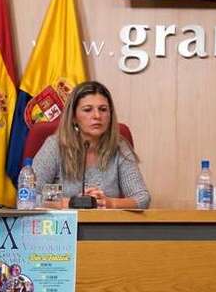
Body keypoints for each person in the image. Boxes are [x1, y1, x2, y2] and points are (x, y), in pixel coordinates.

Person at [32, 80, 150, 209]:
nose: (97, 116)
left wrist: (109, 203)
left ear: (110, 115)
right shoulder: (55, 146)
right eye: (87, 110)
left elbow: (142, 198)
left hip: (104, 221)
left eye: (103, 109)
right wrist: (72, 203)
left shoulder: (118, 146)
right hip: (62, 222)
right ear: (73, 117)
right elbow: (30, 197)